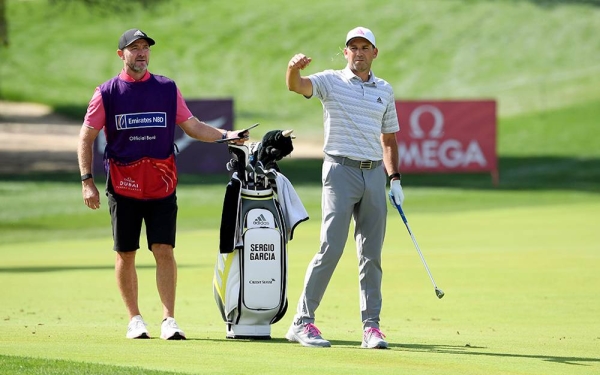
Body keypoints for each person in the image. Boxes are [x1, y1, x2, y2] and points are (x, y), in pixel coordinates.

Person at [77, 28, 249, 340]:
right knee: (125, 252)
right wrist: (87, 181)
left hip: (161, 183)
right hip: (123, 184)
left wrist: (227, 135)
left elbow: (193, 127)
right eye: (134, 48)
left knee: (164, 249)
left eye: (145, 48)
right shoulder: (107, 92)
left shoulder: (167, 88)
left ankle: (169, 319)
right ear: (121, 55)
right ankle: (135, 319)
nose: (141, 53)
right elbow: (86, 137)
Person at [284, 26, 404, 349]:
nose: (359, 52)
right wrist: (293, 69)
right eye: (353, 47)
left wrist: (394, 179)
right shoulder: (330, 81)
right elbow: (297, 86)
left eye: (365, 47)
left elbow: (389, 139)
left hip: (374, 174)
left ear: (374, 53)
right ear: (345, 52)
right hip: (339, 171)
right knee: (331, 247)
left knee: (371, 255)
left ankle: (371, 327)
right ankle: (301, 321)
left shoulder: (385, 90)